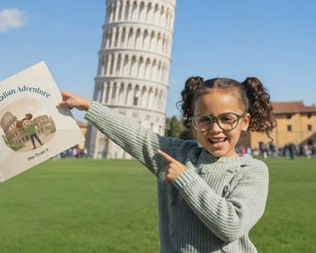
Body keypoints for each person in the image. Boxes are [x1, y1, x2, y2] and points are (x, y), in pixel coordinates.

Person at [58, 76, 276, 253]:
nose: (216, 129)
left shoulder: (252, 171)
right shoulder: (179, 154)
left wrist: (184, 178)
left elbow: (231, 226)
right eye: (204, 120)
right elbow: (137, 135)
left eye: (227, 119)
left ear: (245, 122)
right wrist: (88, 107)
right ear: (193, 122)